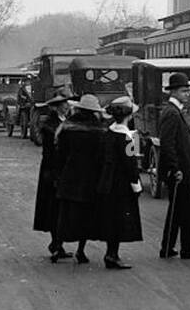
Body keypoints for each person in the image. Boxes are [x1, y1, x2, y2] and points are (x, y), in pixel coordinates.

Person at [53, 93, 106, 264]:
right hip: (89, 178)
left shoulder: (67, 128)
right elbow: (101, 157)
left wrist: (58, 174)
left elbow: (60, 153)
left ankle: (57, 247)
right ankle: (80, 251)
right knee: (86, 216)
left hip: (69, 175)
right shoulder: (99, 130)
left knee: (65, 214)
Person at [92, 97, 144, 269]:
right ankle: (112, 255)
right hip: (122, 185)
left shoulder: (107, 133)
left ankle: (110, 253)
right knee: (120, 219)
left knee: (110, 219)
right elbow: (132, 164)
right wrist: (136, 185)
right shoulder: (131, 137)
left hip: (107, 182)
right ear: (129, 116)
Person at [158, 72, 190, 260]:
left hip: (180, 171)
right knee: (186, 212)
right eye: (184, 91)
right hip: (179, 172)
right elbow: (167, 144)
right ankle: (187, 249)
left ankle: (168, 248)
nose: (187, 94)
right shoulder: (171, 113)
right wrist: (175, 168)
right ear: (175, 92)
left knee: (177, 211)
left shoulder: (175, 111)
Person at [34, 93, 69, 252]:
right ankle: (55, 242)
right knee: (53, 208)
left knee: (60, 208)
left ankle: (58, 243)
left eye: (66, 104)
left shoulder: (65, 122)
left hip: (61, 169)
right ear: (56, 107)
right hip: (52, 170)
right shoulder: (50, 125)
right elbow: (49, 152)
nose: (67, 106)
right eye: (63, 104)